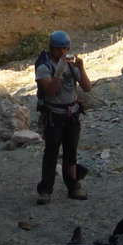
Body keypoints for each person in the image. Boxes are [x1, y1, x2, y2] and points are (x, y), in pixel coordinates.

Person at [35, 30, 93, 203]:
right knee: (51, 153)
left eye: (65, 48)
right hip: (54, 116)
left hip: (72, 115)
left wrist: (81, 68)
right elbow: (51, 91)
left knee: (71, 153)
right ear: (52, 48)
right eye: (59, 49)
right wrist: (59, 72)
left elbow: (87, 87)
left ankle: (73, 186)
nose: (62, 52)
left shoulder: (71, 65)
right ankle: (45, 190)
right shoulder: (44, 67)